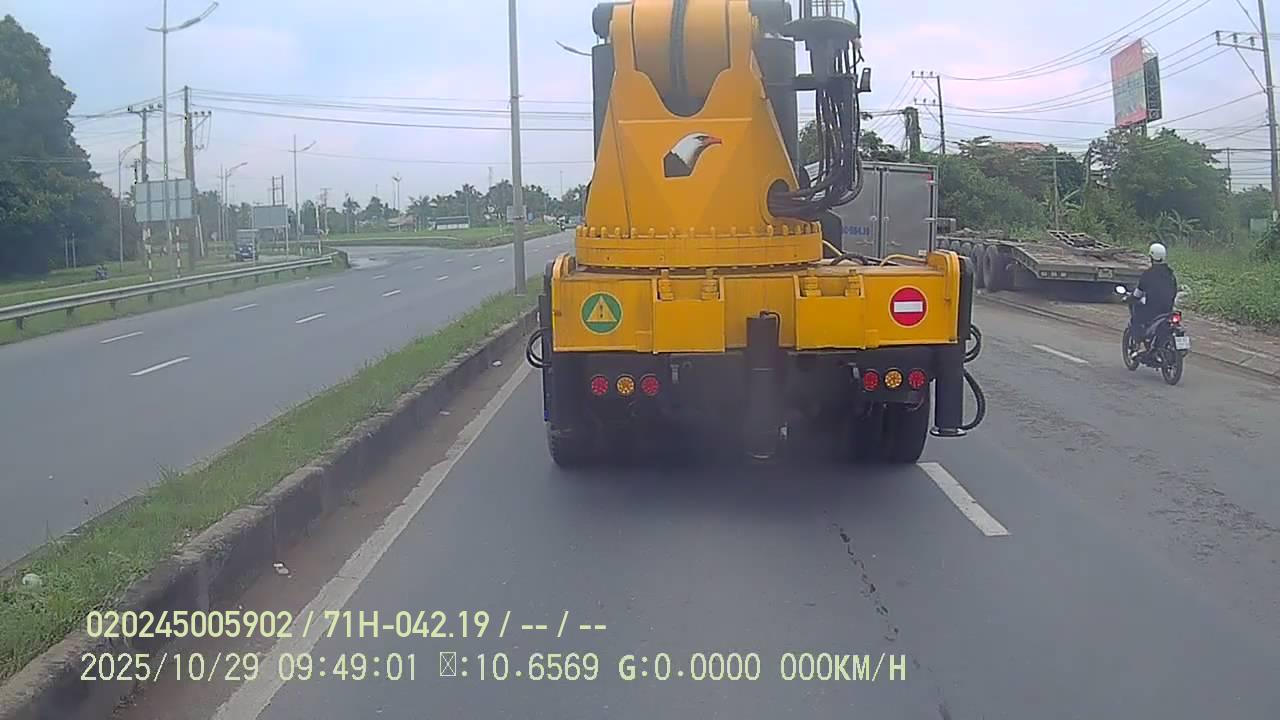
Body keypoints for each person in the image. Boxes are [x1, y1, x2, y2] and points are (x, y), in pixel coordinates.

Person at [1129, 242, 1178, 353]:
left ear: (1151, 257)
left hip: (1153, 309)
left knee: (1137, 313)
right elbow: (1174, 290)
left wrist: (1131, 298)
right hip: (1168, 308)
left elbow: (1138, 293)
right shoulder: (1170, 274)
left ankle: (1140, 338)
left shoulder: (1148, 274)